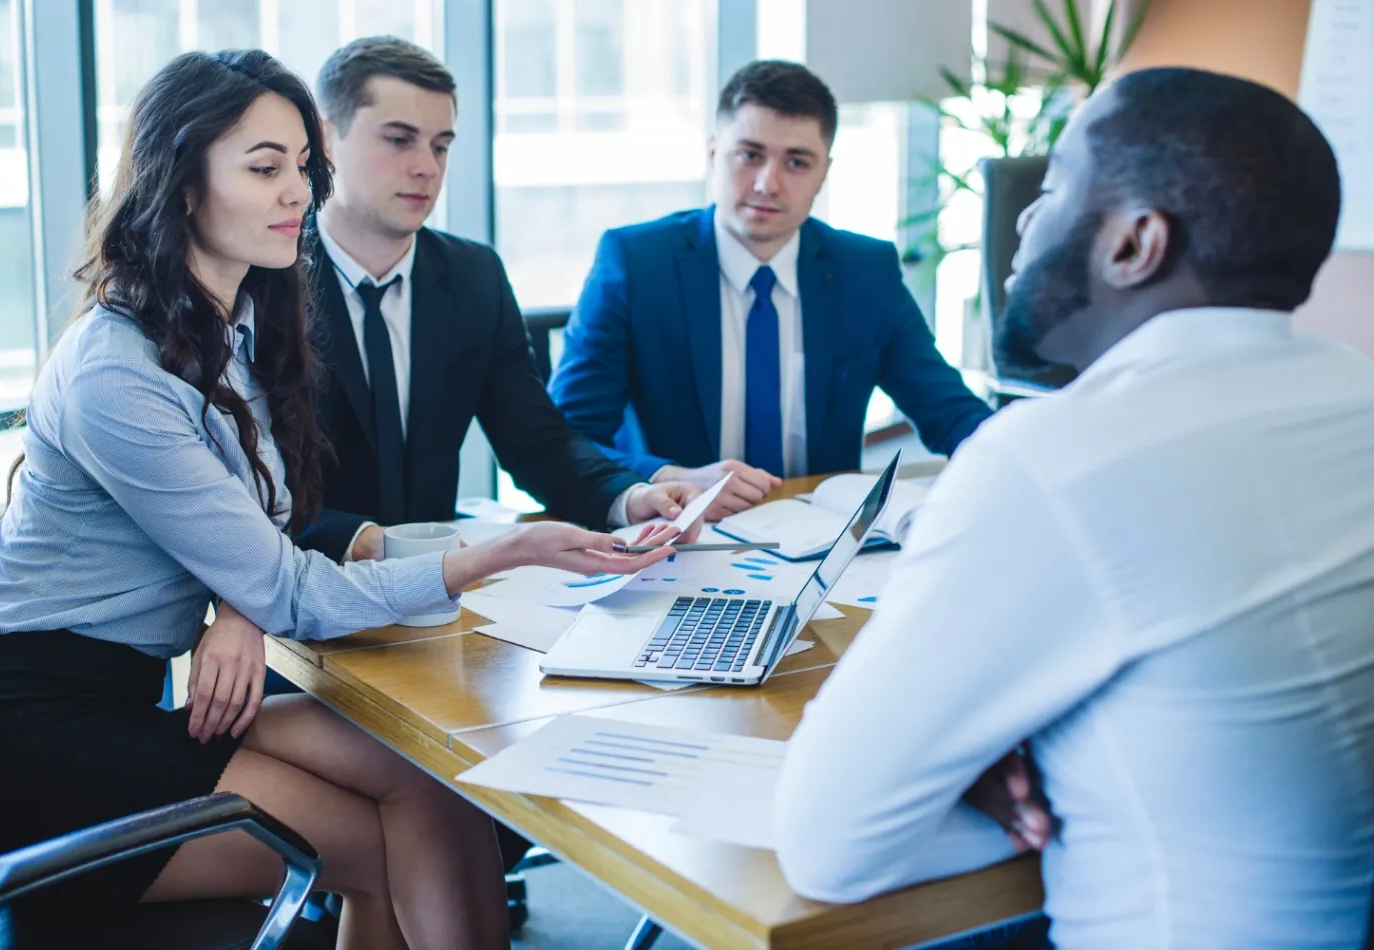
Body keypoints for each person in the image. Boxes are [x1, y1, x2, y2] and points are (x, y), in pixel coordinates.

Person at [0, 50, 677, 950]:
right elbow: (286, 580)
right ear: (181, 184)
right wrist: (497, 554)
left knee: (435, 782)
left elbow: (258, 535)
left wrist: (238, 602)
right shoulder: (116, 371)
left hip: (117, 699)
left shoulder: (234, 323)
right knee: (377, 841)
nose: (297, 191)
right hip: (16, 734)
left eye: (300, 165)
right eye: (264, 168)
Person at [773, 67, 1374, 949]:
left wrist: (988, 762)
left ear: (1134, 244)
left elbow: (827, 847)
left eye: (1052, 187)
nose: (1023, 218)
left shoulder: (1052, 460)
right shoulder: (1352, 395)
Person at [297, 36, 697, 567]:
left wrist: (627, 497)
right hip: (305, 592)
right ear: (326, 138)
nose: (427, 167)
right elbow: (251, 491)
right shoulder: (267, 278)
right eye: (399, 140)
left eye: (441, 146)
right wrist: (366, 542)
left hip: (439, 593)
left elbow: (537, 442)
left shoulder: (473, 275)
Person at [549, 59, 994, 520]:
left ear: (824, 173)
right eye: (750, 154)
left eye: (797, 162)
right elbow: (566, 438)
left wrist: (1033, 458)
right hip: (675, 538)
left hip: (819, 547)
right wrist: (666, 475)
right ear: (713, 154)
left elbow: (953, 416)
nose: (768, 184)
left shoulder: (865, 272)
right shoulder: (637, 262)